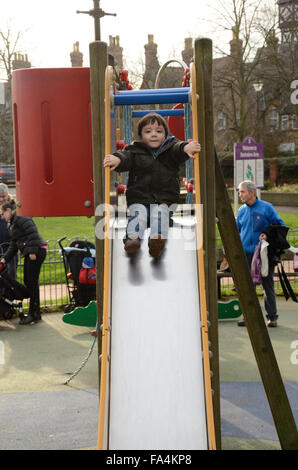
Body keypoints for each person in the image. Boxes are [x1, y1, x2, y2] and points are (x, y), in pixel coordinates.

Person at [104, 112, 201, 258]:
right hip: (139, 199)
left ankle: (157, 241)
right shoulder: (135, 151)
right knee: (138, 214)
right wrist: (117, 159)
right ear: (141, 136)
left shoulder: (170, 149)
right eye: (148, 131)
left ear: (165, 134)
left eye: (159, 131)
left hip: (164, 200)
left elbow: (178, 149)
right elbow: (125, 157)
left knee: (161, 214)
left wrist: (185, 148)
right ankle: (133, 239)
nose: (154, 134)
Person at [236, 180, 285, 327]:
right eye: (239, 192)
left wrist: (267, 235)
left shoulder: (266, 208)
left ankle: (272, 317)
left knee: (267, 284)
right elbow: (237, 230)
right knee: (247, 286)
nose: (240, 195)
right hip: (246, 254)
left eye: (242, 192)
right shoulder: (241, 210)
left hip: (263, 254)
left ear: (252, 192)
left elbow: (280, 225)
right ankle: (248, 316)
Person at [0, 201, 47, 325]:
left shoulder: (22, 217)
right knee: (30, 281)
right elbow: (14, 245)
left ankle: (33, 313)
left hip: (36, 252)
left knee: (31, 281)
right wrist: (4, 259)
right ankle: (35, 313)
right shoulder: (12, 223)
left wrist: (32, 251)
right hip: (32, 252)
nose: (2, 216)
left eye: (3, 213)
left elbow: (32, 232)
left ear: (9, 210)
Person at [0, 183, 18, 279]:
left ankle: (11, 294)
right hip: (1, 247)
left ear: (8, 195)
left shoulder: (13, 208)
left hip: (10, 249)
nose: (1, 199)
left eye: (3, 196)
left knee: (10, 277)